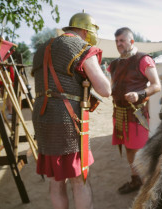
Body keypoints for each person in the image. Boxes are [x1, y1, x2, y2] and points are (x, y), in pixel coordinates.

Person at [31, 12, 111, 209]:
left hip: (42, 116)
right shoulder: (79, 46)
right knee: (79, 177)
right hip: (66, 119)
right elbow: (105, 89)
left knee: (56, 180)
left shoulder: (42, 48)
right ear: (85, 31)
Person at [108, 27, 161, 194]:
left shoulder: (143, 59)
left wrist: (140, 94)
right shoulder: (114, 64)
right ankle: (136, 180)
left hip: (136, 114)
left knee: (141, 150)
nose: (118, 44)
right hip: (119, 113)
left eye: (122, 40)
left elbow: (156, 85)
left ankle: (148, 188)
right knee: (129, 148)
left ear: (131, 41)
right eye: (116, 41)